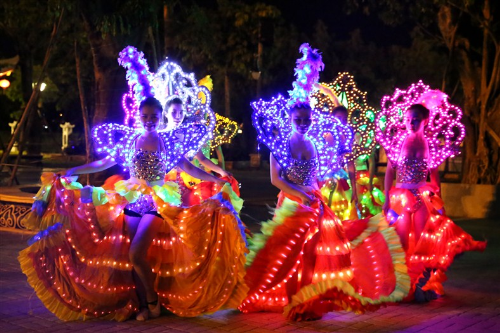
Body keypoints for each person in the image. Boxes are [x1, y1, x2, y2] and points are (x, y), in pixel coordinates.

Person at [19, 96, 248, 321]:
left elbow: (189, 167)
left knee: (136, 252)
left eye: (153, 116)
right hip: (131, 201)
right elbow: (103, 162)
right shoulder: (131, 141)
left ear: (159, 118)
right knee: (134, 259)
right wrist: (73, 170)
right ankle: (143, 306)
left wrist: (218, 179)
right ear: (139, 116)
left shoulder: (167, 142)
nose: (149, 120)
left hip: (157, 201)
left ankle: (152, 300)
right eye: (145, 116)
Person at [240, 44, 409, 321]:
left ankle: (304, 300)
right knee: (287, 258)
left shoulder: (313, 144)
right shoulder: (280, 145)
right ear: (290, 119)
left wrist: (318, 191)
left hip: (314, 203)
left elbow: (315, 175)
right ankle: (292, 298)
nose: (303, 123)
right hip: (292, 206)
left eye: (306, 119)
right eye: (298, 119)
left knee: (312, 254)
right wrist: (302, 195)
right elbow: (275, 180)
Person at [378, 87, 486, 302]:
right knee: (399, 241)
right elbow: (390, 171)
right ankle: (398, 285)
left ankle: (421, 286)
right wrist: (387, 199)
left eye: (416, 118)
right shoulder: (399, 142)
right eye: (408, 118)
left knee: (423, 242)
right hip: (402, 195)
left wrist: (438, 199)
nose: (411, 122)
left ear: (425, 120)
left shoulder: (431, 144)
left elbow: (434, 176)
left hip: (422, 195)